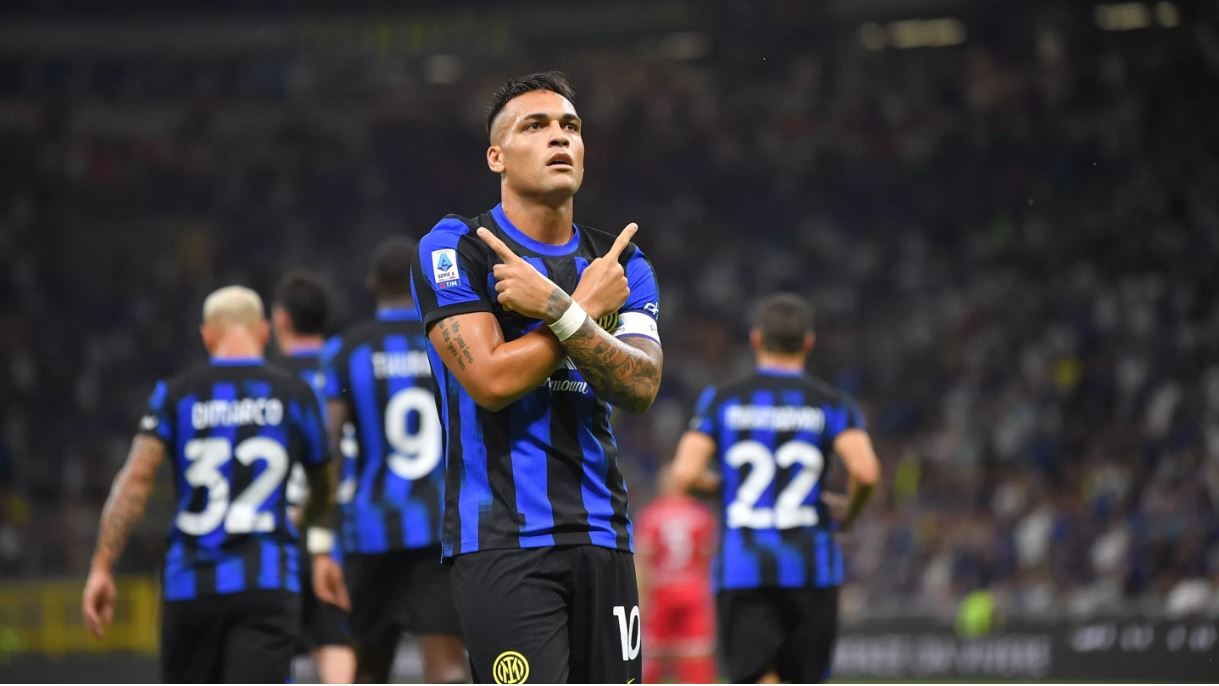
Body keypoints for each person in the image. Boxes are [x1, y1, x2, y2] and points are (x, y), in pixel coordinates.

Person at [409, 70, 663, 683]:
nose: (559, 137)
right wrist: (580, 310)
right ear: (496, 156)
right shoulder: (457, 248)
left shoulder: (619, 263)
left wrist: (557, 307)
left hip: (604, 535)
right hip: (502, 541)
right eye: (535, 126)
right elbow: (490, 381)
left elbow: (641, 387)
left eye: (570, 126)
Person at [82, 286, 344, 683]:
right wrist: (311, 532)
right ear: (264, 331)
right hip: (267, 580)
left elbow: (135, 480)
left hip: (190, 583)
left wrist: (102, 567)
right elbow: (324, 483)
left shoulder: (174, 395)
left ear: (207, 335)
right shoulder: (297, 395)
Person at [670, 292, 881, 684]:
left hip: (743, 567)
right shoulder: (832, 404)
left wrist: (728, 488)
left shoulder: (722, 400)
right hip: (812, 567)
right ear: (808, 343)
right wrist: (848, 513)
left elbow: (685, 474)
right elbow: (866, 473)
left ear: (756, 339)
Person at [320, 239, 468, 684]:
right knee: (447, 670)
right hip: (441, 529)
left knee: (366, 670)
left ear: (372, 284)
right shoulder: (449, 341)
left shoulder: (346, 350)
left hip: (370, 531)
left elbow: (327, 448)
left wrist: (323, 536)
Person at [270, 270, 356, 684]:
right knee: (334, 639)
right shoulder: (346, 368)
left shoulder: (265, 378)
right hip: (343, 531)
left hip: (279, 531)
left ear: (281, 320)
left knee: (269, 644)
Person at [635, 468, 718, 684]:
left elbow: (644, 559)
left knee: (653, 655)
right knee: (696, 654)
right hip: (693, 590)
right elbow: (707, 557)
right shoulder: (701, 515)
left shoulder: (651, 515)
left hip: (660, 589)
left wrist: (642, 596)